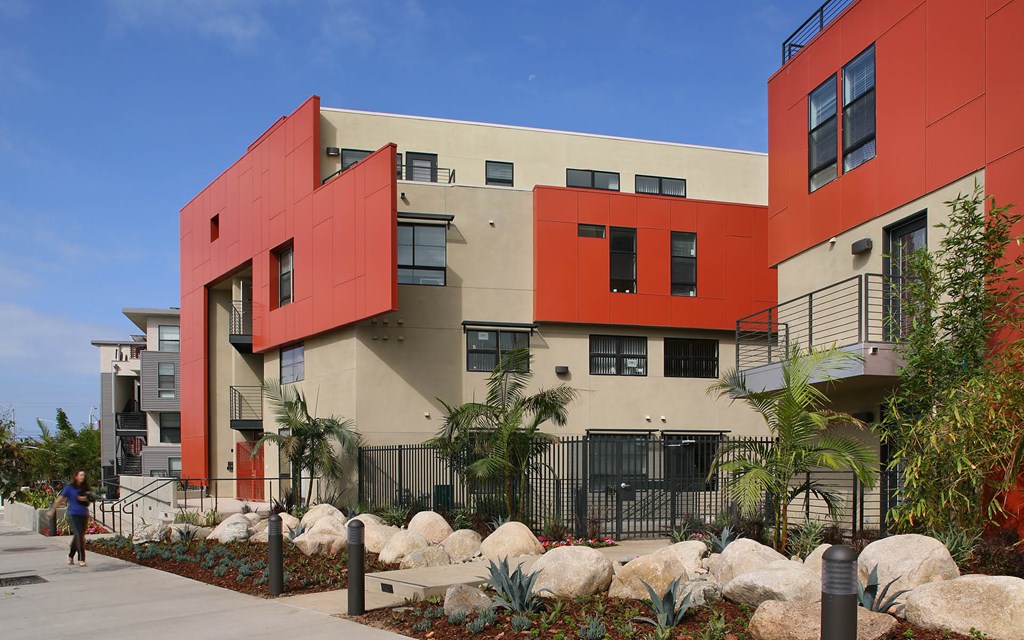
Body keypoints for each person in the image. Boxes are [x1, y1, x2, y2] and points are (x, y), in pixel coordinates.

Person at [57, 470, 93, 566]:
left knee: (78, 536)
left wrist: (85, 498)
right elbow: (60, 499)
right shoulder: (69, 488)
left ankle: (70, 556)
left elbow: (92, 498)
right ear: (76, 476)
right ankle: (81, 559)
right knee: (79, 534)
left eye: (84, 475)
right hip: (73, 514)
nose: (83, 477)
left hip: (84, 514)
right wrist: (52, 510)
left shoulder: (85, 488)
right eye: (81, 475)